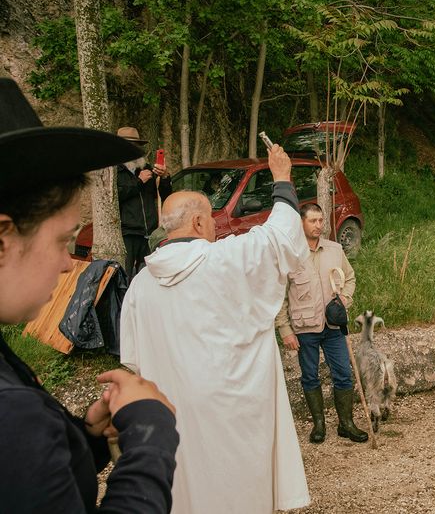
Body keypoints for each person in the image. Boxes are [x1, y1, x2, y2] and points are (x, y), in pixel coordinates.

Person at [0, 77, 179, 512]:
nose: (68, 264)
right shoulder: (11, 415)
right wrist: (151, 440)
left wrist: (83, 438)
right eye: (63, 241)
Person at [120, 147, 311, 513]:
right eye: (210, 219)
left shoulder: (139, 286)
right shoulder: (223, 260)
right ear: (196, 224)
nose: (215, 227)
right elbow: (280, 239)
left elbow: (135, 361)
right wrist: (283, 179)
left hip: (174, 425)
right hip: (231, 423)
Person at [276, 203, 368, 444]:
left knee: (344, 374)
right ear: (301, 224)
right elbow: (280, 297)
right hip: (304, 327)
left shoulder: (335, 250)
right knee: (310, 376)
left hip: (334, 327)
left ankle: (346, 424)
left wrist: (344, 300)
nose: (319, 226)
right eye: (313, 221)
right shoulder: (291, 255)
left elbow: (349, 278)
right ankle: (319, 425)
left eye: (321, 221)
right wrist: (285, 330)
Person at [116, 126, 172, 279]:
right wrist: (139, 182)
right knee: (124, 277)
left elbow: (165, 195)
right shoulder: (113, 170)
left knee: (150, 277)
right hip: (127, 234)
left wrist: (165, 176)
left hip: (149, 233)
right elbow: (115, 197)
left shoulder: (147, 168)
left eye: (137, 146)